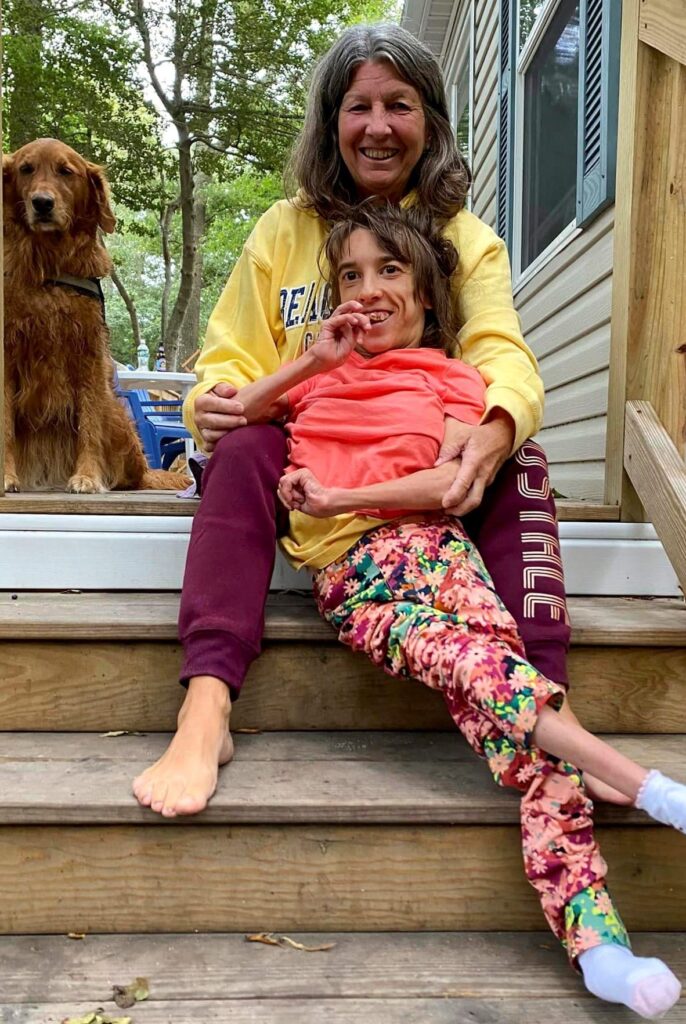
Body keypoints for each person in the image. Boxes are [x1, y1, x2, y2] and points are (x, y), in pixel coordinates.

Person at [132, 21, 622, 822]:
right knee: (245, 445)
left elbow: (502, 353)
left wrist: (495, 426)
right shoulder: (282, 229)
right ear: (332, 123)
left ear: (431, 119)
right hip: (308, 472)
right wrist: (210, 400)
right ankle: (207, 706)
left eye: (399, 105)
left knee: (521, 455)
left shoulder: (464, 237)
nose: (378, 126)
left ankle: (552, 707)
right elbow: (227, 360)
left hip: (421, 481)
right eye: (358, 107)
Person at [235, 202, 685, 1019]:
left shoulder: (450, 376)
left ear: (426, 294)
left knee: (522, 731)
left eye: (389, 270)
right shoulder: (315, 377)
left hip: (438, 550)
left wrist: (340, 495)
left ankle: (599, 946)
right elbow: (235, 417)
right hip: (355, 576)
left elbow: (450, 484)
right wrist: (310, 362)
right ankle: (646, 785)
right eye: (350, 275)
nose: (368, 289)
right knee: (481, 669)